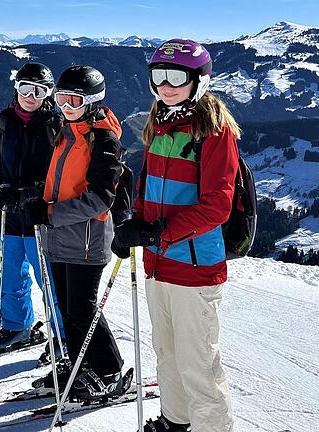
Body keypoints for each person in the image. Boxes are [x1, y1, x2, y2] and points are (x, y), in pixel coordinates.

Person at [112, 39, 240, 432]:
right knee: (166, 353)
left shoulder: (214, 132)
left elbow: (217, 205)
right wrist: (133, 221)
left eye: (176, 78)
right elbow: (150, 183)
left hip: (195, 265)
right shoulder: (159, 124)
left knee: (198, 361)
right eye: (158, 77)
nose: (165, 86)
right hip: (158, 262)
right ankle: (176, 421)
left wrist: (157, 231)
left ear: (199, 81)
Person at [25, 65, 127, 401]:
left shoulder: (104, 139)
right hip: (58, 237)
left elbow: (100, 198)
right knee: (65, 308)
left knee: (82, 310)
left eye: (74, 100)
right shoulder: (66, 131)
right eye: (61, 99)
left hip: (86, 239)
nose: (66, 107)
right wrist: (35, 197)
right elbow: (63, 182)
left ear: (93, 101)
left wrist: (50, 213)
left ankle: (109, 372)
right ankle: (81, 365)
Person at [0, 63, 65, 353]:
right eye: (24, 89)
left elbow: (62, 170)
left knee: (49, 280)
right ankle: (17, 326)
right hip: (8, 214)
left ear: (48, 93)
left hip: (40, 215)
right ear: (16, 89)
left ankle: (63, 337)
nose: (31, 96)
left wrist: (32, 192)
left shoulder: (56, 124)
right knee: (12, 273)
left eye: (38, 91)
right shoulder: (3, 121)